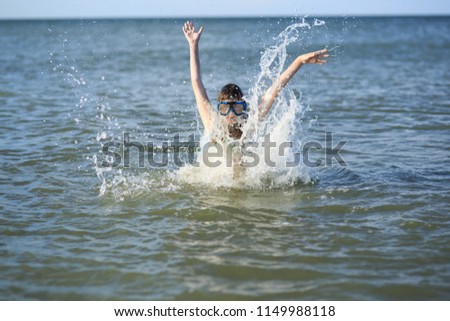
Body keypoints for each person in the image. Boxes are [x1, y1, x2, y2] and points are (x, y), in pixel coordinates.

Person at [182, 21, 329, 141]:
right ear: (219, 108)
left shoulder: (250, 126)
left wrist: (299, 61)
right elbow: (196, 82)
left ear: (244, 107)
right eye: (226, 108)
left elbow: (274, 90)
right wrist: (193, 45)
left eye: (237, 107)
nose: (231, 114)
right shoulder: (211, 123)